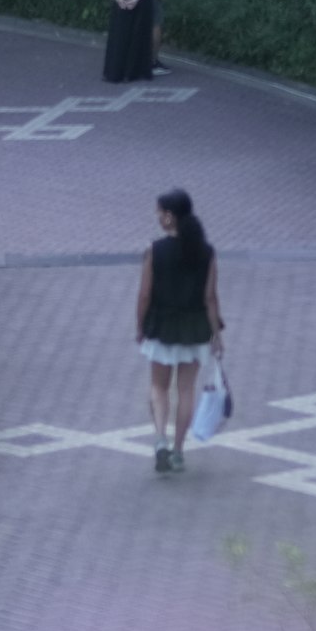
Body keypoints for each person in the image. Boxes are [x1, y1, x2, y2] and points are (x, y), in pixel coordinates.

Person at [134, 186, 224, 473]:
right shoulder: (207, 252)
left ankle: (160, 438)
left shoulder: (154, 250)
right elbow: (211, 298)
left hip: (163, 326)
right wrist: (215, 335)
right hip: (195, 328)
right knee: (186, 389)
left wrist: (140, 326)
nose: (158, 217)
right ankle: (178, 451)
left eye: (160, 213)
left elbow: (144, 294)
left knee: (159, 387)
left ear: (170, 217)